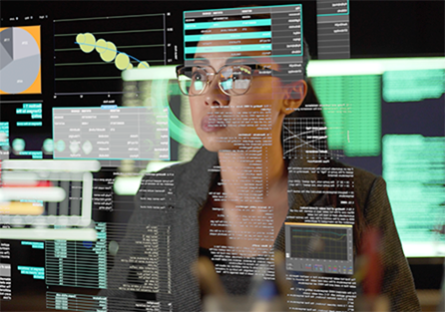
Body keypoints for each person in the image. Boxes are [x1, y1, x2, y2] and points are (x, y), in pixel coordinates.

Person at [100, 36, 421, 312]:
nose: (210, 94)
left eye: (237, 74)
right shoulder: (163, 190)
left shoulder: (358, 192)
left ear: (291, 95)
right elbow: (121, 303)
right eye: (199, 73)